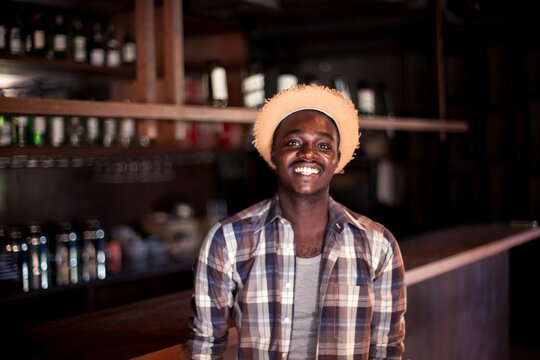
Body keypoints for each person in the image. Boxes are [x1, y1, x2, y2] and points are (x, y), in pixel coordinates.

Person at [187, 84, 406, 359]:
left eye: (324, 145)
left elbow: (387, 349)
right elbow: (205, 345)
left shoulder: (378, 244)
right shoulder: (227, 239)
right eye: (293, 143)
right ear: (274, 154)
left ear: (337, 159)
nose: (308, 153)